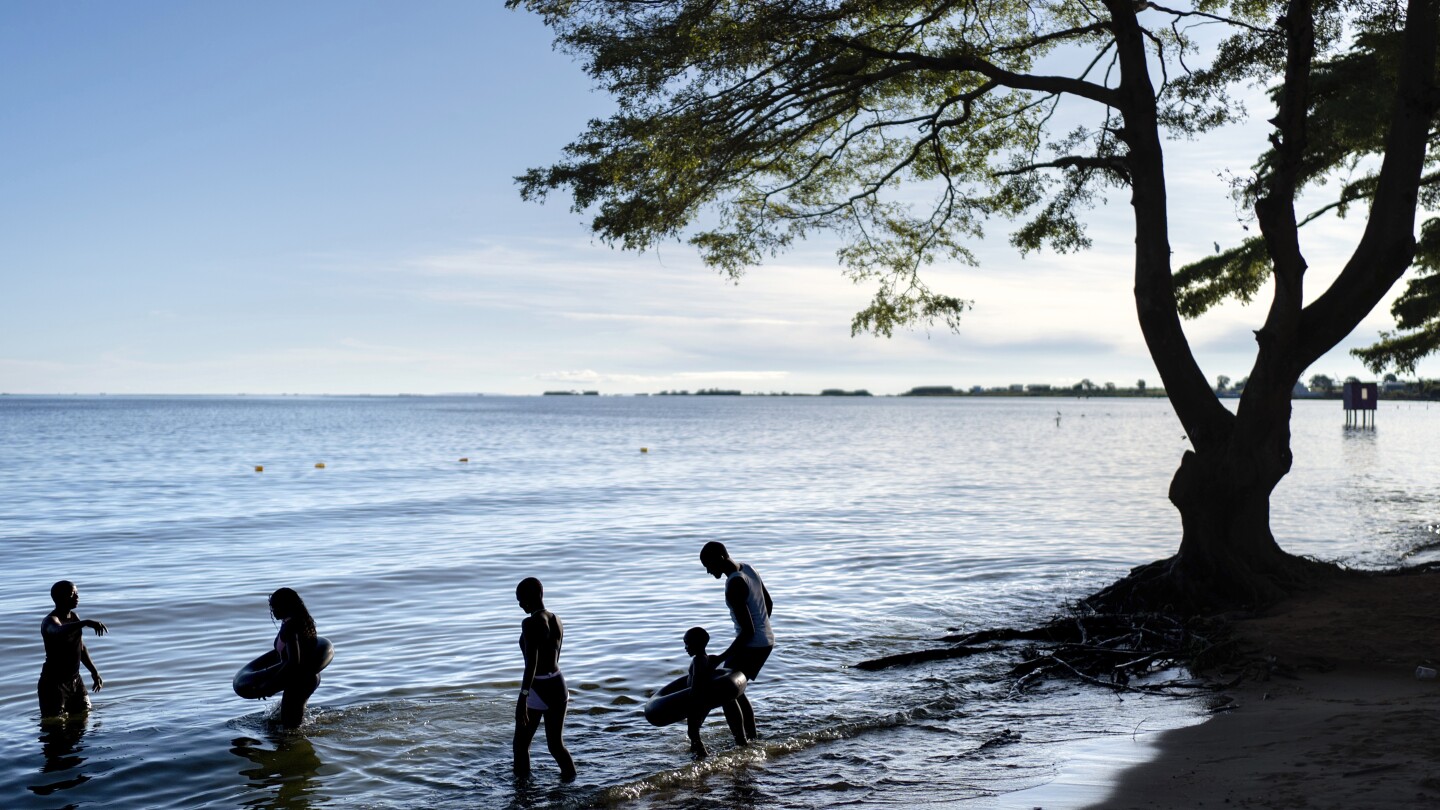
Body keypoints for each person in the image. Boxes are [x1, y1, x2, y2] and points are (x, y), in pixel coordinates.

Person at [699, 541, 774, 742]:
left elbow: (748, 631)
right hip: (766, 641)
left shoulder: (734, 584)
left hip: (752, 644)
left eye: (708, 565)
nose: (708, 571)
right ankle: (751, 738)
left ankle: (741, 743)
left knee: (725, 692)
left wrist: (719, 658)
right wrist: (762, 629)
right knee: (736, 693)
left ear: (720, 558)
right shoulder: (749, 568)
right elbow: (768, 603)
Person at [514, 577, 576, 781]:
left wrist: (522, 698)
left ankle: (522, 792)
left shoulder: (529, 623)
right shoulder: (556, 619)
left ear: (533, 596)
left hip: (539, 687)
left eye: (521, 600)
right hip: (558, 684)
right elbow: (554, 658)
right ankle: (571, 782)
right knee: (556, 746)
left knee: (520, 745)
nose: (520, 605)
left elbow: (531, 664)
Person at [38, 580, 106, 718]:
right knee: (55, 726)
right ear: (59, 598)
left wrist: (94, 672)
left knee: (84, 716)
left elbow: (81, 647)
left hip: (75, 680)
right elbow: (58, 631)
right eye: (72, 594)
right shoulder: (49, 621)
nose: (77, 597)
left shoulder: (74, 617)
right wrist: (85, 623)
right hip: (53, 684)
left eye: (77, 593)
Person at [682, 626, 746, 758]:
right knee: (694, 731)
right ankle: (696, 751)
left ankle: (702, 756)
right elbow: (726, 655)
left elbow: (697, 683)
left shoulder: (697, 660)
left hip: (699, 700)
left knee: (693, 732)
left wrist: (690, 702)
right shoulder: (708, 658)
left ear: (697, 643)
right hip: (705, 699)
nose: (685, 647)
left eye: (687, 643)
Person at [268, 588, 321, 728]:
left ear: (286, 606)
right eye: (271, 607)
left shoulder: (291, 627)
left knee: (290, 728)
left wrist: (270, 685)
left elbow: (294, 662)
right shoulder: (293, 622)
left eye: (275, 607)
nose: (273, 611)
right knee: (290, 722)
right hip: (305, 677)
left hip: (300, 680)